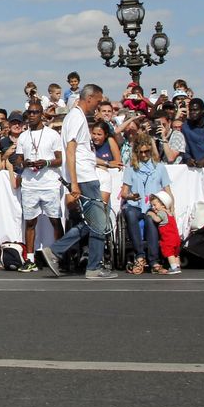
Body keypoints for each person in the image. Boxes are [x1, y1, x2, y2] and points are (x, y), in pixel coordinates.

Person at [40, 84, 116, 279]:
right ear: (89, 98)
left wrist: (105, 163)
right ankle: (93, 267)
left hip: (85, 174)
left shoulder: (78, 117)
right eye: (98, 102)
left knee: (94, 221)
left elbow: (82, 151)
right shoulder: (75, 117)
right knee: (99, 222)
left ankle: (56, 250)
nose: (98, 107)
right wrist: (73, 182)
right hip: (84, 177)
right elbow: (71, 150)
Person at [12, 107, 63, 273]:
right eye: (30, 113)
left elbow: (60, 159)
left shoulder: (52, 134)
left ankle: (60, 256)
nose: (32, 115)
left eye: (35, 112)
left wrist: (46, 163)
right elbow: (18, 160)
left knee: (55, 220)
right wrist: (23, 163)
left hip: (49, 183)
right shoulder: (23, 136)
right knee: (30, 222)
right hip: (30, 184)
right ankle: (30, 259)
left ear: (41, 114)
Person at [118, 135, 170, 275]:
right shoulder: (131, 168)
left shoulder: (159, 167)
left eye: (146, 151)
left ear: (150, 150)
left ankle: (154, 261)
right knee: (130, 213)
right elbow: (124, 193)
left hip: (152, 206)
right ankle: (140, 256)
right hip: (135, 204)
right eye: (140, 152)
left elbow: (168, 192)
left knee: (150, 218)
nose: (144, 155)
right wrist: (131, 196)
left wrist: (171, 210)